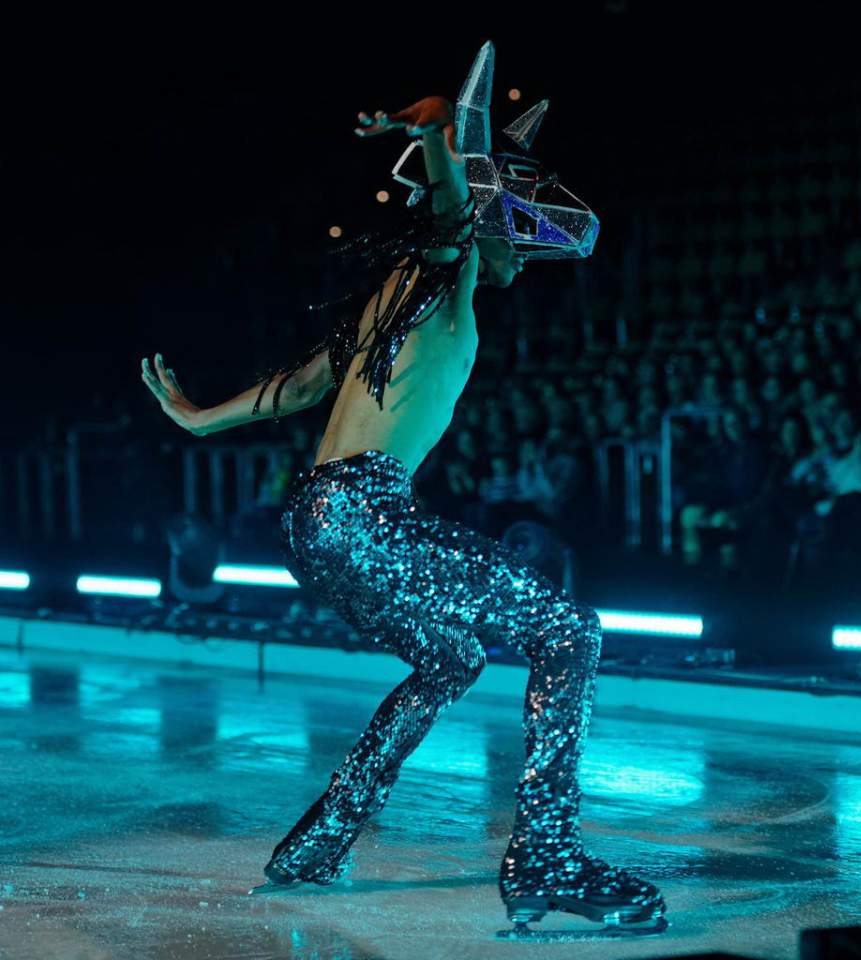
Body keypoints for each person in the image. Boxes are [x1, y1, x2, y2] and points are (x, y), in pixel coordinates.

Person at [139, 42, 664, 939]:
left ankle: (320, 840)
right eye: (516, 236)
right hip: (362, 510)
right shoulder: (445, 269)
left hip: (315, 519)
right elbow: (454, 211)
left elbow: (304, 386)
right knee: (570, 632)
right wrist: (439, 138)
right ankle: (545, 853)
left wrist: (199, 419)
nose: (523, 257)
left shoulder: (401, 294)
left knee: (453, 659)